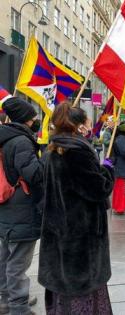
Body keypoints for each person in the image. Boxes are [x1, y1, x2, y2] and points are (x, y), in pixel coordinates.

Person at [39, 102, 114, 315]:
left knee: (63, 285)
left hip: (58, 229)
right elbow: (99, 189)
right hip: (81, 234)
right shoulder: (78, 151)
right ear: (78, 126)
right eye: (86, 123)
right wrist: (107, 171)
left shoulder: (52, 149)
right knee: (82, 289)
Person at [0, 98, 43, 315]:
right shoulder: (21, 141)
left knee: (6, 255)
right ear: (25, 118)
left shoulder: (4, 136)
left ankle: (5, 300)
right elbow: (33, 174)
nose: (36, 120)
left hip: (5, 204)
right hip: (21, 207)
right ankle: (19, 307)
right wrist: (46, 160)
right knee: (18, 261)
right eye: (34, 117)